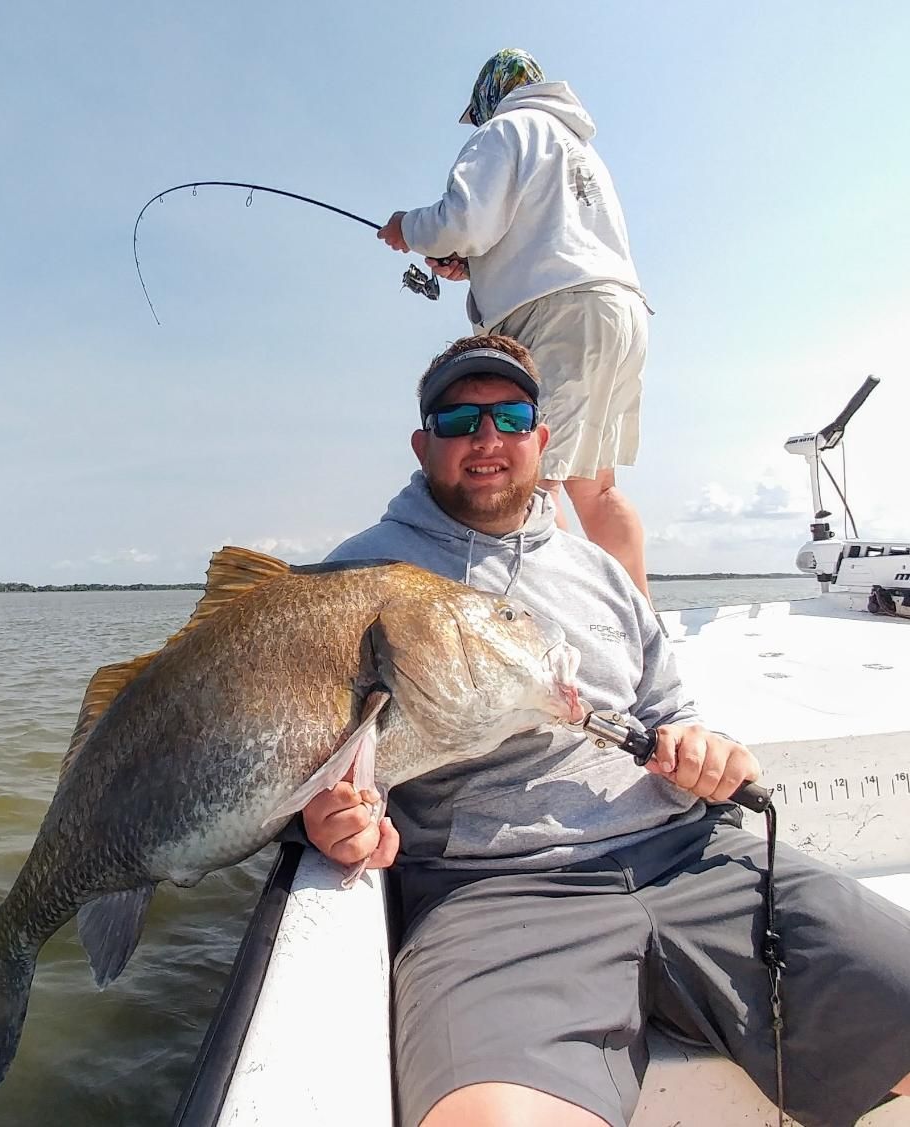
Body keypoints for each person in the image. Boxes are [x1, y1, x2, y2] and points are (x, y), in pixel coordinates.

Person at [301, 334, 910, 1127]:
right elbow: (307, 759)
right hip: (495, 896)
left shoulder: (602, 573)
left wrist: (703, 750)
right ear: (424, 444)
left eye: (510, 415)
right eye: (458, 418)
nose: (486, 438)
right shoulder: (354, 576)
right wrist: (327, 817)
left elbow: (669, 711)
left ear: (541, 439)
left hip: (697, 858)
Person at [377, 48, 653, 599]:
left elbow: (463, 220)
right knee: (596, 488)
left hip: (557, 314)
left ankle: (558, 634)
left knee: (531, 485)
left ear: (491, 95)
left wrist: (409, 228)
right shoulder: (579, 149)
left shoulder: (506, 128)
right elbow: (538, 235)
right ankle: (642, 627)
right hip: (619, 312)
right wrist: (472, 263)